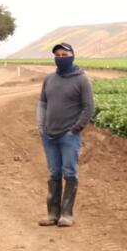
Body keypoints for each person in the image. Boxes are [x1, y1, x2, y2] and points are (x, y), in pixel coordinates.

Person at [36, 41, 94, 226]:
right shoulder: (49, 79)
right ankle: (52, 214)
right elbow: (43, 103)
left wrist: (74, 129)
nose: (61, 58)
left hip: (69, 136)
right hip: (49, 136)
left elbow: (88, 107)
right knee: (54, 173)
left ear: (72, 56)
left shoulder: (81, 80)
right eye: (58, 55)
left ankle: (66, 214)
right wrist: (41, 126)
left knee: (69, 172)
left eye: (64, 55)